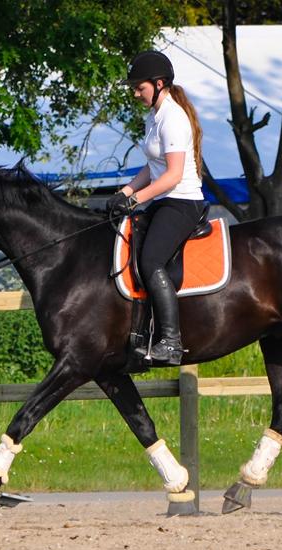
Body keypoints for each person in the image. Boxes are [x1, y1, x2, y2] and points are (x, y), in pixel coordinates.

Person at [106, 50, 205, 366]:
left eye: (140, 87)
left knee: (150, 261)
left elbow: (174, 175)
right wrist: (124, 192)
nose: (136, 93)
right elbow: (154, 166)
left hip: (182, 201)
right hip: (164, 200)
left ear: (159, 83)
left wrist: (136, 200)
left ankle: (172, 343)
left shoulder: (173, 118)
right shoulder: (155, 116)